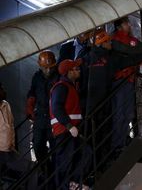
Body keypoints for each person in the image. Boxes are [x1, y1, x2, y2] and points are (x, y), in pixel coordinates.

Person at [85, 27, 142, 162]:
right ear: (101, 43)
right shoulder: (106, 59)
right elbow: (128, 60)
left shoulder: (88, 59)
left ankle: (108, 155)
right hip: (100, 104)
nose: (110, 43)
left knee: (103, 130)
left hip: (94, 104)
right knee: (111, 125)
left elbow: (129, 59)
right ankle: (111, 153)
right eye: (107, 41)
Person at [110, 17, 142, 153]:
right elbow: (133, 51)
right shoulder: (115, 40)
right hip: (120, 81)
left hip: (129, 80)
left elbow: (138, 47)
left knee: (128, 113)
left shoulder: (130, 39)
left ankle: (124, 140)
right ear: (119, 26)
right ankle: (118, 144)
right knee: (120, 114)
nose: (129, 25)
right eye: (126, 23)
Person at [49, 59, 89, 189]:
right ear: (68, 72)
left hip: (72, 130)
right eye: (76, 69)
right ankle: (65, 187)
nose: (79, 70)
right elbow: (56, 107)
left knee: (85, 153)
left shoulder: (70, 86)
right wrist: (69, 125)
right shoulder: (61, 87)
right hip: (64, 131)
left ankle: (73, 183)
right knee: (65, 161)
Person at [26, 50, 59, 181]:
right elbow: (32, 92)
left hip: (53, 116)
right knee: (37, 143)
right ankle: (46, 169)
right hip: (40, 117)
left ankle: (56, 173)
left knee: (55, 145)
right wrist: (29, 105)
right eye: (45, 68)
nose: (48, 70)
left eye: (50, 68)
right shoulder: (37, 77)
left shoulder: (59, 76)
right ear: (40, 66)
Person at [1, 83, 37, 189]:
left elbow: (10, 126)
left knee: (32, 168)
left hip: (8, 151)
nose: (4, 90)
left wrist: (11, 145)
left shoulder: (6, 104)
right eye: (1, 89)